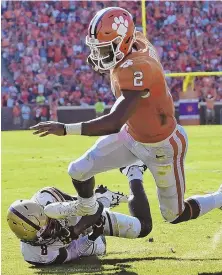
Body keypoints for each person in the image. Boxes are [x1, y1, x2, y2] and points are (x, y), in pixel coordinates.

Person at [30, 7, 222, 234]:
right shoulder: (133, 41)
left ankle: (219, 197)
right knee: (78, 170)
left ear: (123, 43)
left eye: (103, 50)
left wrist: (64, 129)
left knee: (173, 215)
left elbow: (113, 122)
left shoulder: (138, 67)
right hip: (131, 135)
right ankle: (88, 208)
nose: (98, 56)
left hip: (163, 145)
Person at [7, 164, 152, 265]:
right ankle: (103, 197)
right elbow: (75, 250)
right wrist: (92, 235)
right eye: (45, 233)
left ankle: (133, 171)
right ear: (29, 239)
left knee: (143, 227)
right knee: (100, 247)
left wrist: (77, 227)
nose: (52, 231)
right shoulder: (39, 256)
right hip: (80, 240)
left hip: (80, 216)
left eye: (50, 224)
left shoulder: (47, 198)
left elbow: (92, 209)